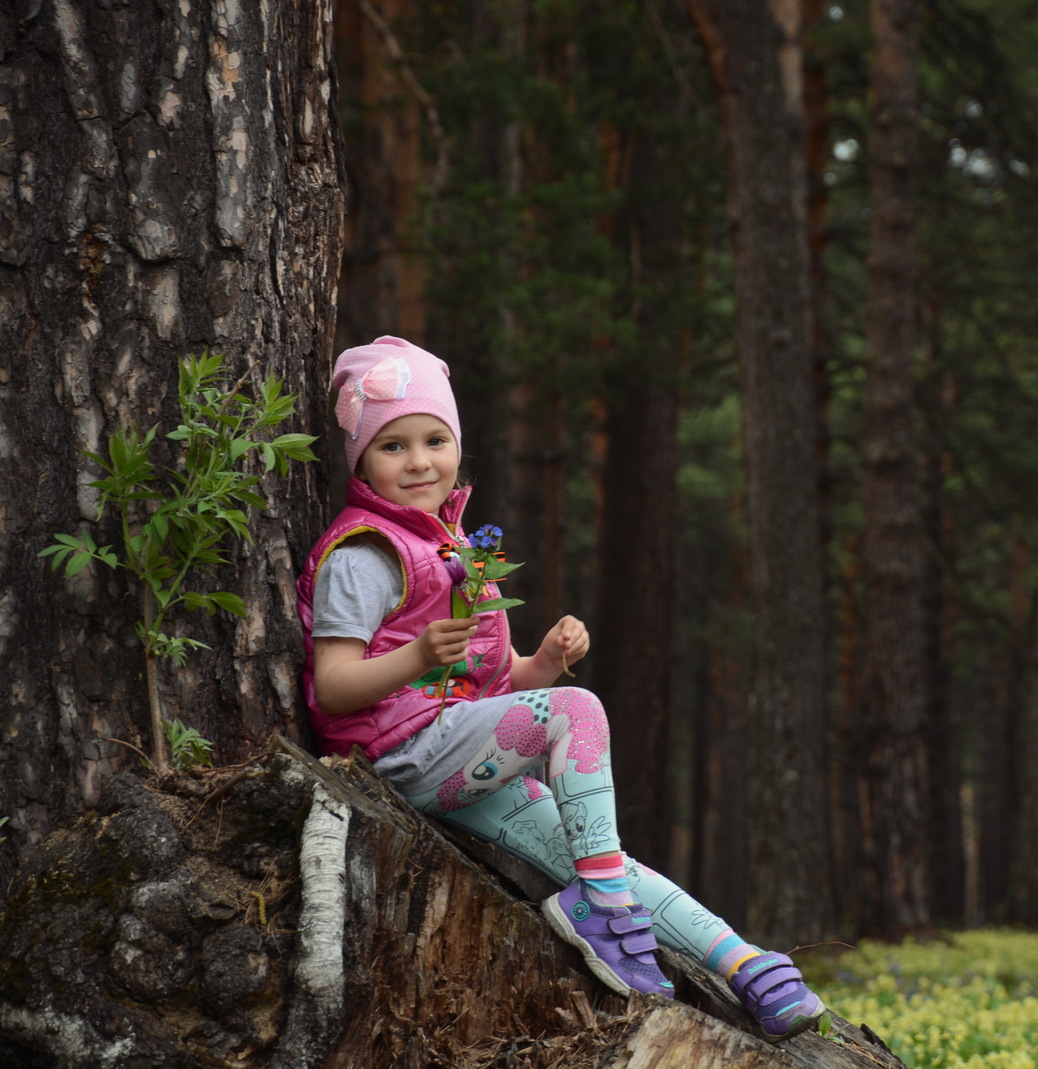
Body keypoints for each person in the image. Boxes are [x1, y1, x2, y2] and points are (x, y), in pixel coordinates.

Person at [295, 336, 825, 1042]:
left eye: (434, 439)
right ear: (360, 458)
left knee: (604, 855)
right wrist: (416, 655)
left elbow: (497, 683)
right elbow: (331, 688)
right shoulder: (366, 553)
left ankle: (746, 964)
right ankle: (602, 910)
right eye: (393, 447)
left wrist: (543, 661)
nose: (419, 461)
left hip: (461, 755)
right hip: (404, 756)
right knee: (581, 724)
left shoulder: (458, 548)